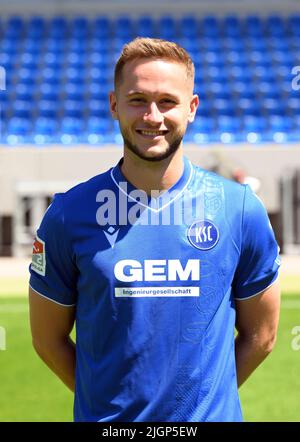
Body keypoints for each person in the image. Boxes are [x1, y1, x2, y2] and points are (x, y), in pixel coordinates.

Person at [29, 37, 281, 422]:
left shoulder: (239, 209)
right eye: (137, 100)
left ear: (192, 108)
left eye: (167, 101)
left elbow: (261, 337)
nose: (152, 116)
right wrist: (108, 406)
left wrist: (202, 408)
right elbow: (47, 340)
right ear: (114, 105)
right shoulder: (68, 215)